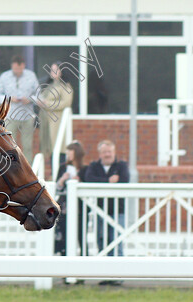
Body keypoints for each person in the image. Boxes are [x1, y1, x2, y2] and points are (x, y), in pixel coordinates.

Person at [84, 140, 129, 284]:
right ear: (100, 153)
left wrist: (102, 181)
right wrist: (108, 181)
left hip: (118, 210)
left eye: (109, 151)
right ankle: (106, 275)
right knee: (101, 241)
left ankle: (119, 276)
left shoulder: (121, 166)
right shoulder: (94, 166)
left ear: (114, 152)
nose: (107, 154)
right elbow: (89, 179)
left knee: (116, 241)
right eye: (104, 152)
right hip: (99, 210)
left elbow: (125, 180)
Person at [0, 55, 39, 162]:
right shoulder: (4, 77)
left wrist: (30, 99)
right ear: (12, 66)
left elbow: (39, 95)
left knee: (27, 146)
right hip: (10, 116)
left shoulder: (31, 76)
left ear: (23, 66)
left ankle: (28, 169)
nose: (17, 71)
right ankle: (10, 169)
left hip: (27, 115)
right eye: (15, 69)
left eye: (19, 69)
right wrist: (9, 99)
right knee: (9, 145)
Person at [53, 141, 86, 257]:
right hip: (64, 208)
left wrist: (79, 182)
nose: (68, 155)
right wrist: (62, 179)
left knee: (81, 236)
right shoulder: (63, 167)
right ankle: (64, 261)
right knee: (64, 236)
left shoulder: (84, 169)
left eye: (70, 152)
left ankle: (84, 261)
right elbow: (57, 187)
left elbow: (87, 185)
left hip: (80, 210)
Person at [37, 62, 74, 164]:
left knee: (58, 148)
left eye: (55, 69)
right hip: (46, 121)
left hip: (57, 122)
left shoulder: (66, 86)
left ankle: (57, 174)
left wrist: (47, 103)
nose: (52, 72)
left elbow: (66, 103)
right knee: (49, 148)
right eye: (51, 69)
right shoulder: (49, 86)